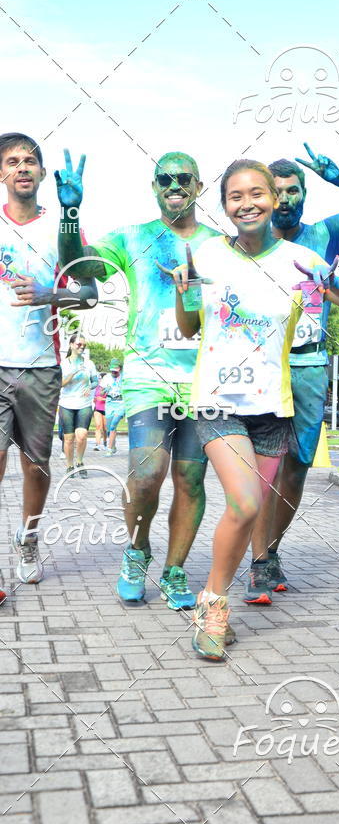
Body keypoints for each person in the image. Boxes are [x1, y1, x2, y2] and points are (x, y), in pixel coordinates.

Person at [164, 159, 339, 661]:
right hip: (216, 401)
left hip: (272, 406)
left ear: (274, 200)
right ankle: (214, 605)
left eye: (256, 194)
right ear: (225, 207)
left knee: (247, 510)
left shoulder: (300, 259)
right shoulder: (205, 254)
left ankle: (214, 597)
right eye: (235, 197)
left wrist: (332, 282)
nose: (247, 203)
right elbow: (191, 328)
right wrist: (182, 290)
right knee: (246, 504)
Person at [56, 149, 219, 611]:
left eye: (183, 178)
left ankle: (174, 570)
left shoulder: (218, 244)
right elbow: (80, 269)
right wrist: (70, 213)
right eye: (164, 178)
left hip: (203, 381)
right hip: (148, 376)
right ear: (153, 187)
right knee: (147, 475)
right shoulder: (132, 238)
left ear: (198, 186)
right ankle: (137, 549)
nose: (174, 185)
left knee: (191, 479)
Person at [249, 148, 339, 601]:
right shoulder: (248, 240)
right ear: (266, 197)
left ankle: (270, 550)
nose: (286, 199)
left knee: (296, 469)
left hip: (308, 365)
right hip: (261, 364)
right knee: (261, 468)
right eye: (278, 191)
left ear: (305, 196)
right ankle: (257, 559)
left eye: (294, 191)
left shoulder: (324, 234)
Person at [0, 133, 96, 586]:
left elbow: (90, 294)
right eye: (12, 161)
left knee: (35, 465)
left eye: (30, 161)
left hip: (42, 364)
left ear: (41, 173)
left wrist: (48, 294)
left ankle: (29, 537)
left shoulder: (63, 229)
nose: (22, 167)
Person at [59, 334, 98, 476]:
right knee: (68, 438)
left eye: (84, 345)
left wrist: (91, 387)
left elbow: (95, 381)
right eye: (78, 344)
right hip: (67, 403)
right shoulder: (64, 364)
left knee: (82, 435)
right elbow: (61, 383)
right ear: (71, 345)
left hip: (84, 404)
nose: (82, 347)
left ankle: (80, 462)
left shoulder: (89, 364)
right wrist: (74, 372)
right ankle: (69, 465)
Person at [102, 359, 125, 456]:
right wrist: (105, 390)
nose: (113, 372)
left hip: (121, 404)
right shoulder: (106, 378)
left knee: (113, 426)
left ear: (120, 369)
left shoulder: (124, 378)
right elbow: (100, 392)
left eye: (115, 370)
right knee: (109, 428)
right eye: (112, 370)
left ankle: (109, 449)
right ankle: (113, 445)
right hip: (110, 403)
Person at [92, 376, 108, 452]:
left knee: (105, 428)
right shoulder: (97, 387)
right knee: (98, 426)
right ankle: (97, 444)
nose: (100, 380)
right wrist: (95, 399)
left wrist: (103, 399)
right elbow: (95, 397)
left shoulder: (108, 387)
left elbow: (112, 398)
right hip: (97, 408)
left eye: (102, 378)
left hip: (106, 409)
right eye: (99, 378)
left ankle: (105, 443)